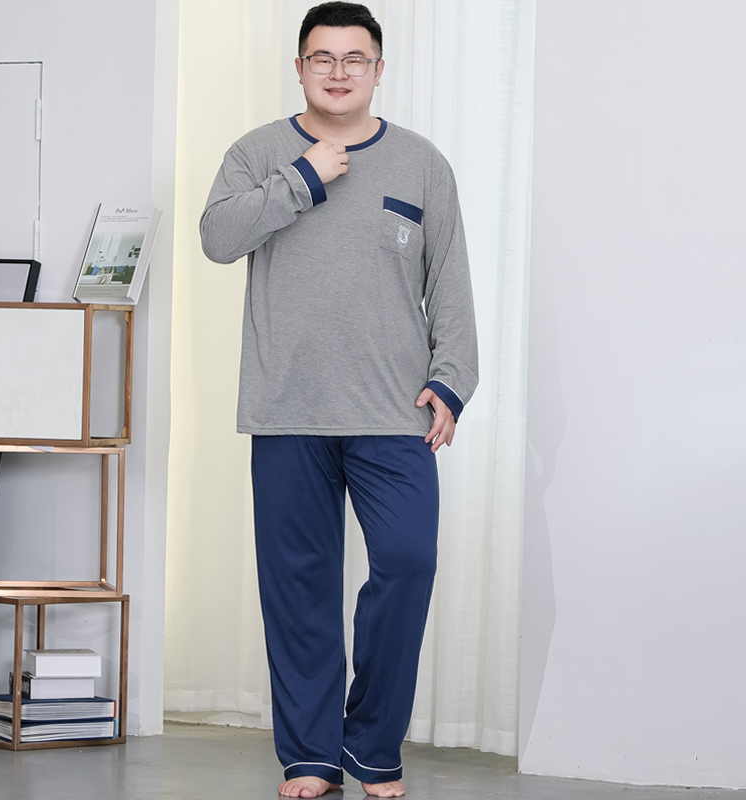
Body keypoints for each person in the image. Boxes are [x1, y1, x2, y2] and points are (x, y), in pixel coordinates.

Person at [200, 3, 478, 797]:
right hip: (287, 408)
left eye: (355, 58)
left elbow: (449, 283)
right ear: (299, 68)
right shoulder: (258, 153)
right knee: (299, 589)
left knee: (409, 562)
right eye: (322, 57)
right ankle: (313, 757)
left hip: (394, 410)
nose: (338, 71)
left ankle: (373, 745)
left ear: (379, 71)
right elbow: (218, 239)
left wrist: (452, 379)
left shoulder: (422, 164)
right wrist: (302, 180)